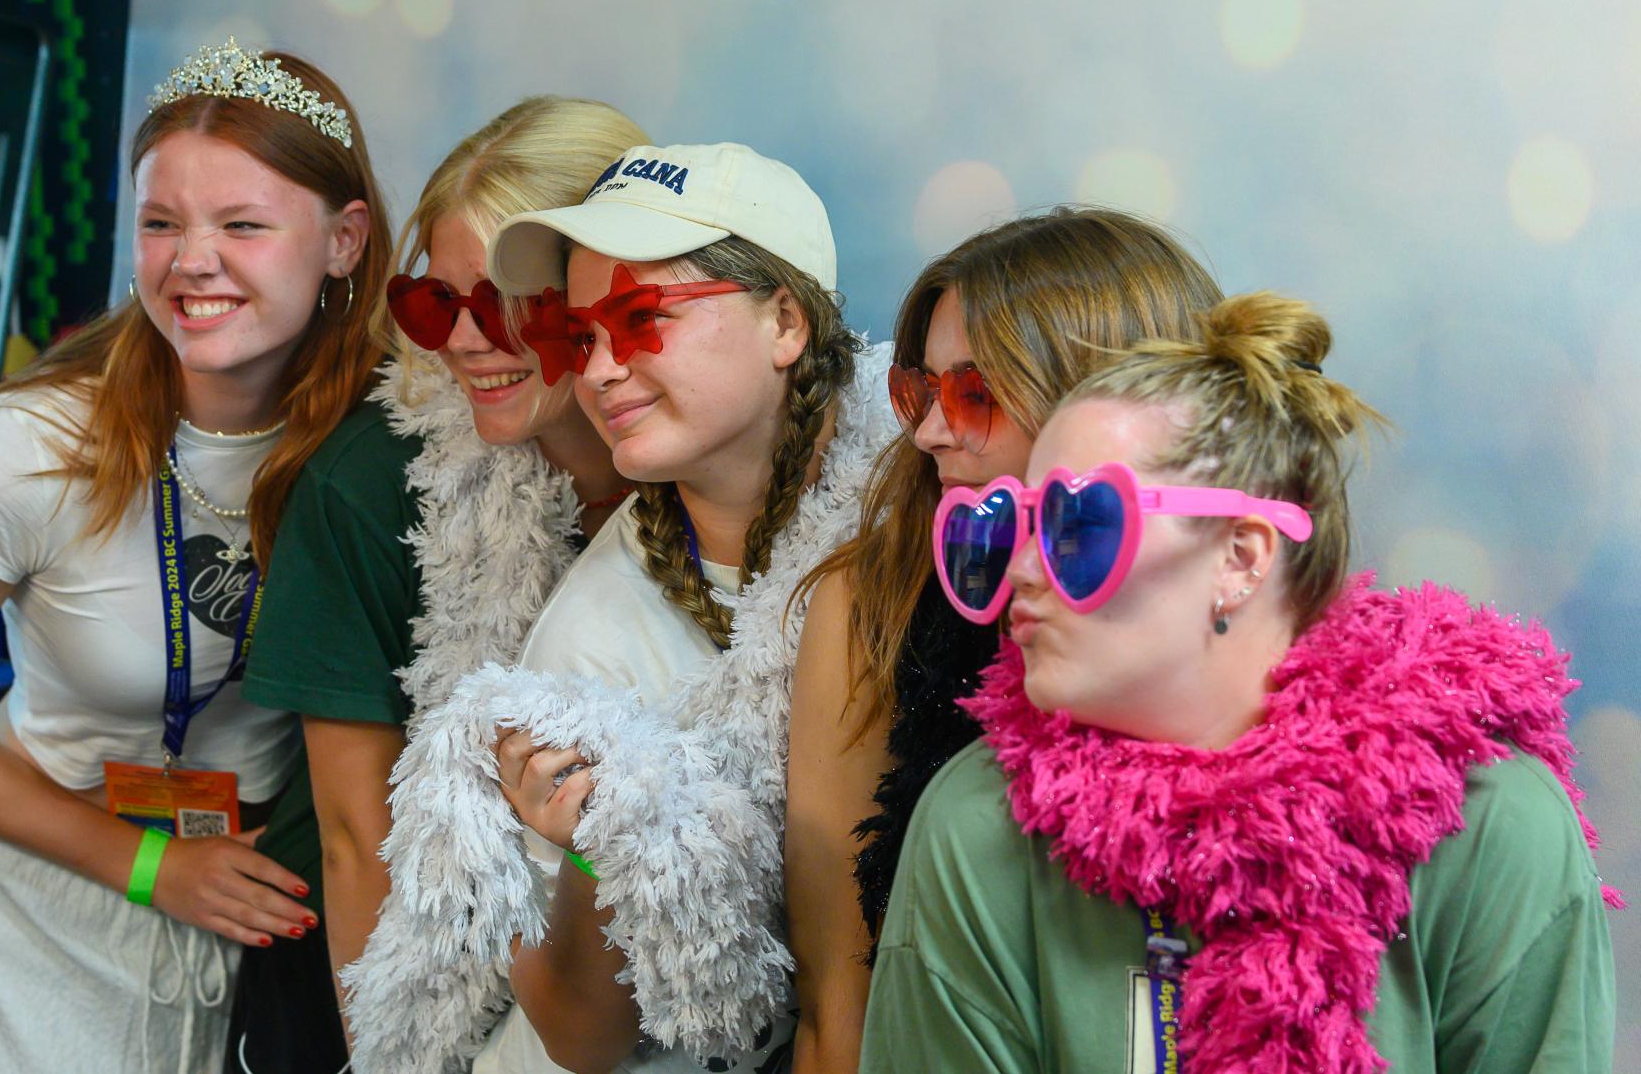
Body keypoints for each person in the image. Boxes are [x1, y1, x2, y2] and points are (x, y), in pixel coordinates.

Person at [859, 292, 1622, 1072]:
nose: (1024, 569)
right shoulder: (975, 824)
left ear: (1241, 557)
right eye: (1016, 523)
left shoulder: (1490, 823)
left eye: (1077, 526)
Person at [0, 38, 391, 1072]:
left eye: (242, 224)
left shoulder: (391, 440)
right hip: (30, 915)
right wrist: (149, 868)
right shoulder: (27, 448)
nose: (192, 260)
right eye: (160, 223)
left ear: (344, 240)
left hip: (252, 915)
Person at [346, 142, 898, 1072]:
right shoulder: (588, 640)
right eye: (579, 335)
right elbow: (580, 1038)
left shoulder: (922, 504)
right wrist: (600, 845)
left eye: (640, 319)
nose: (599, 370)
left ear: (786, 321)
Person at [224, 95, 647, 1072]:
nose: (462, 339)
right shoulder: (369, 484)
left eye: (504, 304)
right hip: (363, 965)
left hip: (607, 966)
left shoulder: (704, 466)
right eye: (435, 303)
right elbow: (353, 835)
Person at [782, 208, 1222, 1071]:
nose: (929, 431)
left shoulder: (1246, 613)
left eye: (974, 394)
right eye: (920, 393)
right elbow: (839, 1005)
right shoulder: (874, 601)